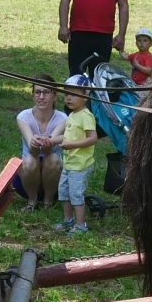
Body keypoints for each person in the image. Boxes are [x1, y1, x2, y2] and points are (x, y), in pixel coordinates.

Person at [56, 75, 99, 234]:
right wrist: (50, 140)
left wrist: (72, 145)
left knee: (76, 194)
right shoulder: (72, 115)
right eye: (66, 93)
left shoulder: (86, 115)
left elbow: (93, 138)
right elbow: (68, 137)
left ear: (85, 96)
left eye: (73, 94)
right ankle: (69, 220)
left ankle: (81, 225)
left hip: (80, 165)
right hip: (69, 163)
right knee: (64, 193)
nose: (68, 97)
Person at [15, 75, 65, 209]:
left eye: (46, 92)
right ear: (33, 95)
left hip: (54, 178)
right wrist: (34, 143)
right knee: (30, 160)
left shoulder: (62, 119)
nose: (41, 97)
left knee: (52, 158)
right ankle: (31, 201)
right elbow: (33, 152)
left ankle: (48, 201)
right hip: (27, 178)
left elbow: (48, 150)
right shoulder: (23, 117)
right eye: (37, 92)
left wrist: (48, 143)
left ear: (55, 96)